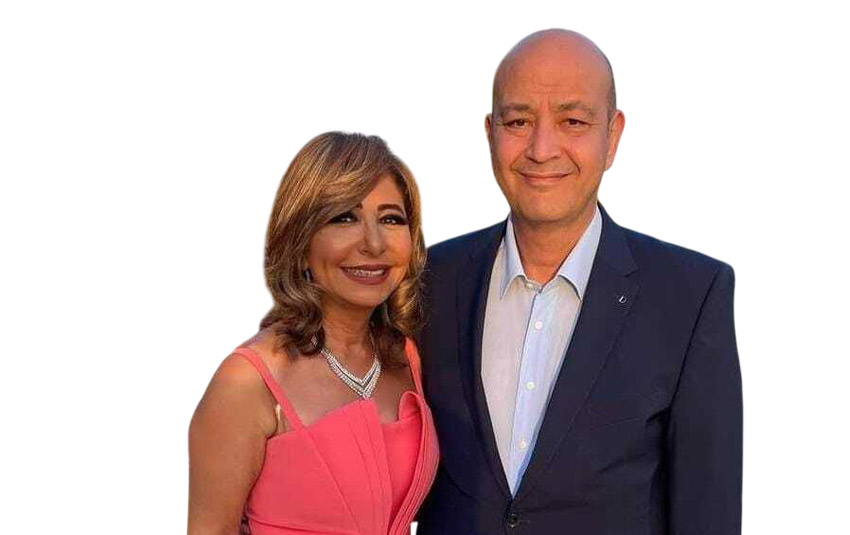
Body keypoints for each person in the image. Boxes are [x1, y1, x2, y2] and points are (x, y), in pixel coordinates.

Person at [416, 29, 742, 535]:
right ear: (490, 134)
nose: (542, 149)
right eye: (518, 121)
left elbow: (707, 513)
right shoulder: (427, 280)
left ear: (612, 136)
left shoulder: (690, 296)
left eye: (573, 121)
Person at [188, 132, 438, 535]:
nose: (374, 244)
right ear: (300, 239)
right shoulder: (246, 382)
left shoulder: (408, 357)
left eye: (391, 219)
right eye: (344, 218)